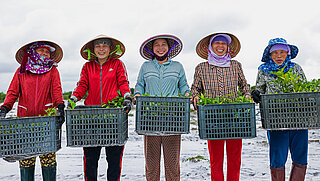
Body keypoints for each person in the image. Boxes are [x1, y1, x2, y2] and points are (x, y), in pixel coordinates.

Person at [68, 35, 132, 181]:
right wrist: (73, 98)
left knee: (114, 159)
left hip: (113, 117)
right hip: (92, 117)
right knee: (90, 159)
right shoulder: (87, 67)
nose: (101, 48)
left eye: (105, 45)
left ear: (110, 49)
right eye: (98, 45)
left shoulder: (117, 64)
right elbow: (82, 85)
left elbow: (123, 82)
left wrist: (127, 97)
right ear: (93, 49)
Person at [0, 40, 65, 181]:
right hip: (25, 122)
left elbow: (56, 91)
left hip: (46, 123)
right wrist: (4, 108)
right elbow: (12, 92)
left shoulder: (52, 70)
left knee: (48, 160)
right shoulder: (21, 70)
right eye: (41, 50)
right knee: (26, 159)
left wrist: (60, 107)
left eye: (47, 52)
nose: (45, 53)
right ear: (32, 52)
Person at [191, 33, 250, 181]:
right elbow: (195, 89)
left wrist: (247, 95)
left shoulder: (236, 65)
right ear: (210, 47)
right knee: (215, 160)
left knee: (235, 159)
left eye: (223, 43)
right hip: (212, 118)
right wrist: (195, 97)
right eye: (216, 43)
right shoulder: (201, 68)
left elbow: (244, 85)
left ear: (228, 47)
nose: (220, 46)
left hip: (235, 117)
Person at [134, 34, 190, 181]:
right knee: (151, 163)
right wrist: (137, 94)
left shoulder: (177, 66)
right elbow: (140, 85)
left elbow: (183, 85)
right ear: (152, 49)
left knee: (172, 163)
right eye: (156, 45)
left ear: (169, 47)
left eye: (163, 44)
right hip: (150, 118)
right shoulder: (146, 67)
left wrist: (186, 93)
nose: (160, 48)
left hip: (172, 117)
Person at [251, 38, 308, 181]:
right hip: (275, 120)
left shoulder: (296, 68)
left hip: (299, 120)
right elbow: (259, 90)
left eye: (282, 52)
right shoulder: (263, 70)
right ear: (269, 55)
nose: (279, 55)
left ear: (287, 53)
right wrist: (256, 95)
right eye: (275, 52)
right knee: (277, 157)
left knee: (300, 156)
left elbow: (305, 89)